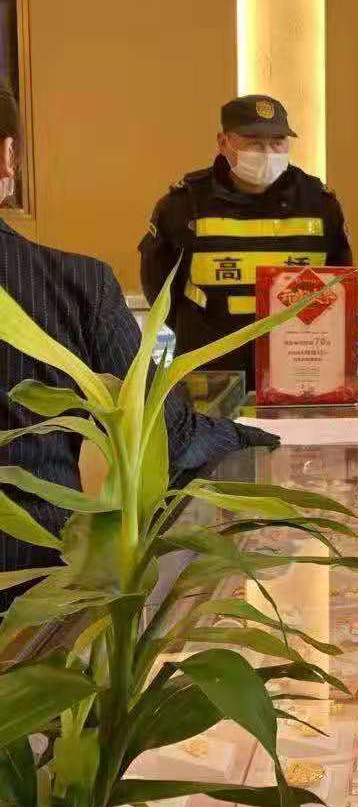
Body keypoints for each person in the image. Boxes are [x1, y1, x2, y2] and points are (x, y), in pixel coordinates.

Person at [0, 89, 277, 596]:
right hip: (29, 594)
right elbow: (168, 436)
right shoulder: (74, 285)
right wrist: (252, 438)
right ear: (7, 156)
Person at [140, 95, 351, 385]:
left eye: (278, 141)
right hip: (210, 362)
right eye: (253, 142)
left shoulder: (320, 203)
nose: (267, 152)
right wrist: (193, 327)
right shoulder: (183, 205)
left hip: (297, 360)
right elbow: (158, 284)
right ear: (223, 141)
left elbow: (338, 281)